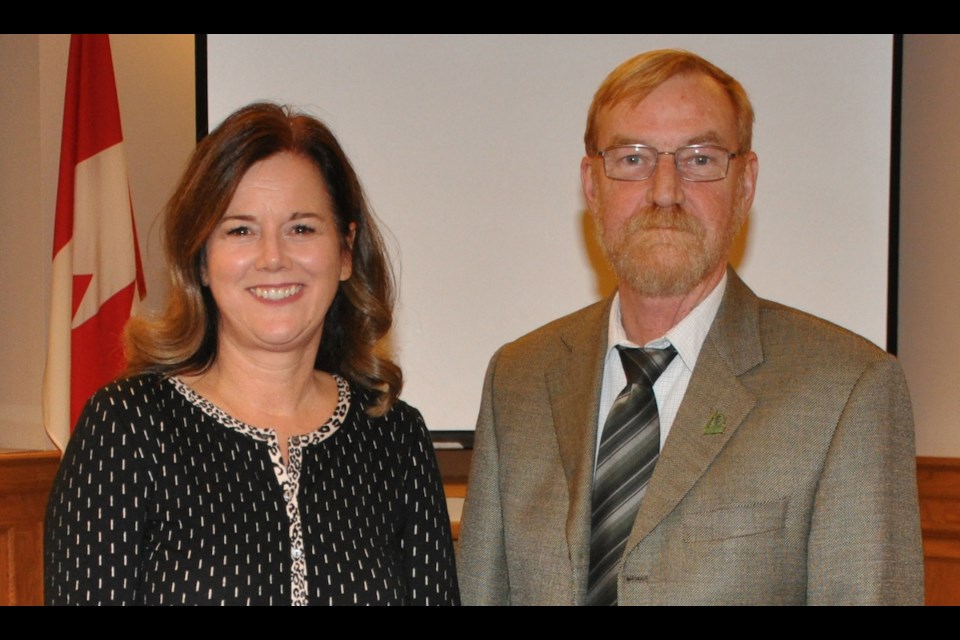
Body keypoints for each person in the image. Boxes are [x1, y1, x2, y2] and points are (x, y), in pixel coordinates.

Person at [458, 50, 924, 605]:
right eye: (633, 158)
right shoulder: (517, 379)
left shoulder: (849, 391)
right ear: (592, 185)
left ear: (745, 184)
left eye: (699, 159)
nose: (664, 190)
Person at [45, 103, 460, 606]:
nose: (273, 258)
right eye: (240, 230)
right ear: (200, 259)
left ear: (346, 251)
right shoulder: (127, 427)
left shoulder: (396, 438)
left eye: (302, 228)